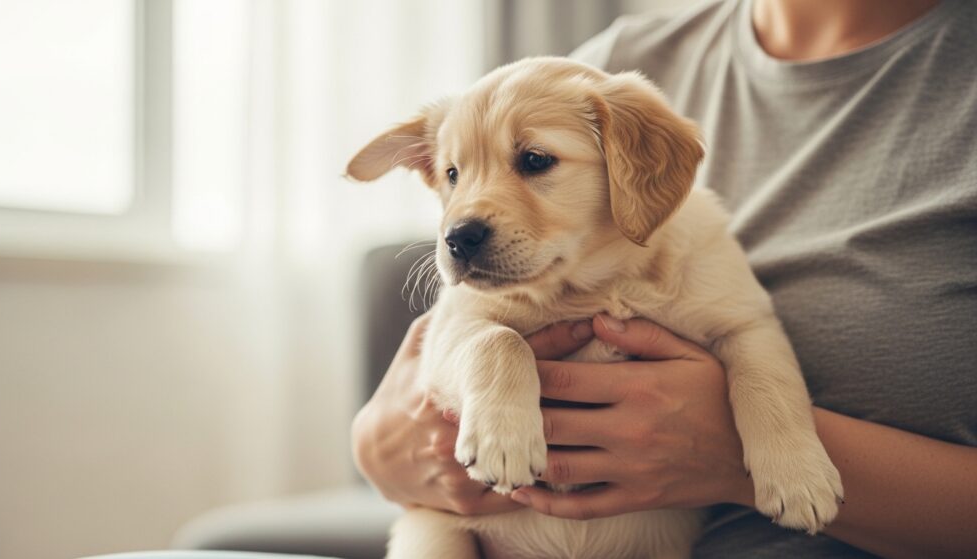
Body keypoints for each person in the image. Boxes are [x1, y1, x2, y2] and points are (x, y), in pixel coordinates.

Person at [351, 0, 977, 557]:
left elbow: (746, 331)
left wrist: (737, 453)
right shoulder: (611, 57)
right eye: (453, 176)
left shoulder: (670, 200)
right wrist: (383, 443)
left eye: (535, 161)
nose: (462, 219)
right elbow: (398, 430)